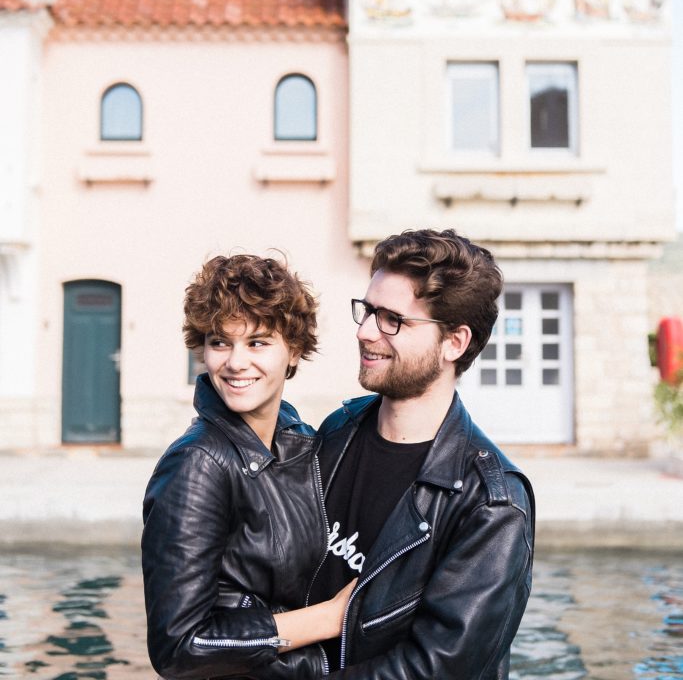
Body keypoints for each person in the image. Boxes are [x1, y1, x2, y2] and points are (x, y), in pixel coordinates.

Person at [310, 228, 535, 679]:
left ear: (454, 342)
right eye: (368, 311)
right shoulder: (337, 432)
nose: (366, 331)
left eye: (392, 319)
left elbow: (434, 667)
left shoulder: (492, 504)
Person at [141, 253, 352, 680]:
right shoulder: (197, 464)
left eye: (257, 342)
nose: (236, 362)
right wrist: (328, 619)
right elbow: (177, 646)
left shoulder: (302, 442)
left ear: (293, 351)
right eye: (220, 342)